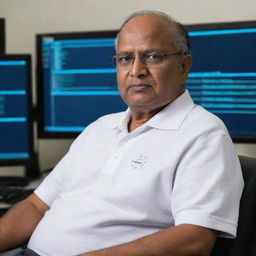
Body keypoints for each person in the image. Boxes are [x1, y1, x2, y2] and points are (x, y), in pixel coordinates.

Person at [0, 10, 244, 256]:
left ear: (184, 66)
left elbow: (194, 240)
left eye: (152, 56)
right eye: (125, 58)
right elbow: (35, 205)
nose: (136, 70)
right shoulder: (100, 128)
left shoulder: (204, 134)